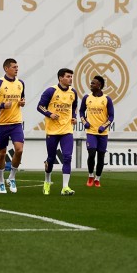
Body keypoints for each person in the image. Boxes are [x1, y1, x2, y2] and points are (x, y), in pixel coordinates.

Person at [38, 68, 79, 196]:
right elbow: (40, 106)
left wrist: (74, 117)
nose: (70, 79)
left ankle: (65, 187)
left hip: (67, 130)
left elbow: (74, 106)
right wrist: (50, 114)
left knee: (67, 157)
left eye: (71, 76)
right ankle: (47, 181)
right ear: (61, 78)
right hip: (52, 131)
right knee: (51, 159)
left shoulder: (73, 92)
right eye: (68, 76)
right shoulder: (51, 91)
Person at [0, 58, 26, 193]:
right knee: (1, 153)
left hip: (16, 123)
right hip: (2, 124)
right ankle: (0, 181)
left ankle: (12, 177)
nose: (17, 69)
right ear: (6, 68)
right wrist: (2, 105)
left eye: (17, 67)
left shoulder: (20, 83)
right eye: (14, 67)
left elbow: (22, 98)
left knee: (19, 150)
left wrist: (22, 102)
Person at [79, 75, 114, 187]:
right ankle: (90, 176)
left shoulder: (107, 99)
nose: (91, 85)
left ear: (99, 85)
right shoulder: (86, 97)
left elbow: (111, 116)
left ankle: (97, 178)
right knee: (92, 153)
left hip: (102, 133)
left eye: (93, 83)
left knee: (101, 156)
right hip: (91, 132)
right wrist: (85, 122)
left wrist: (103, 126)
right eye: (91, 83)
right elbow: (81, 112)